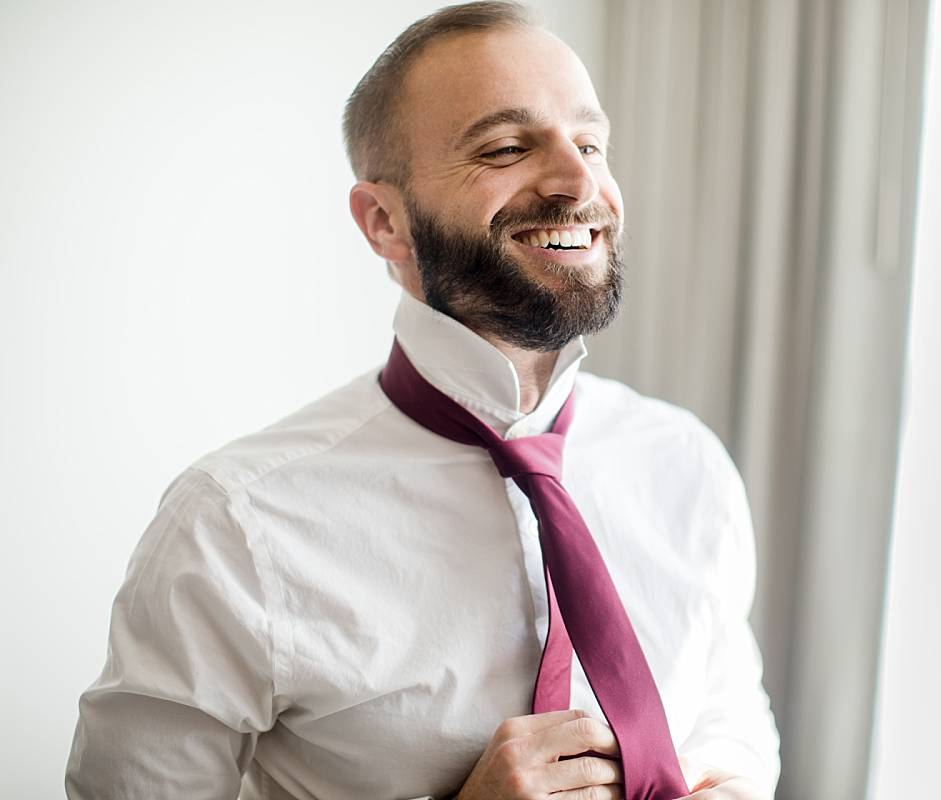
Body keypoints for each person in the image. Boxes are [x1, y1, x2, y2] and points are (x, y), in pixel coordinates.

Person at [65, 2, 780, 798]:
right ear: (384, 223)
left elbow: (728, 702)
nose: (581, 181)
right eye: (508, 147)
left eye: (590, 143)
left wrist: (734, 779)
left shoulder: (684, 461)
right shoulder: (233, 529)